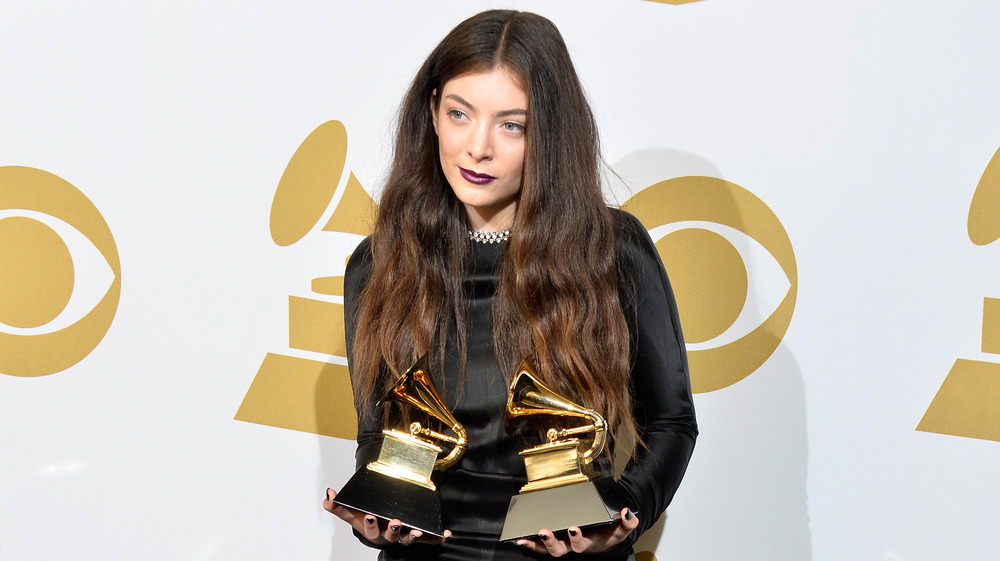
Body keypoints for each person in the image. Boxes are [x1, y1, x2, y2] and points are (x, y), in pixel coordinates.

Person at [323, 9, 697, 560]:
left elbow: (670, 421)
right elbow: (377, 437)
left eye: (511, 125)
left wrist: (623, 514)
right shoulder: (378, 264)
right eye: (459, 114)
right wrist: (376, 519)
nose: (478, 148)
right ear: (431, 111)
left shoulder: (611, 251)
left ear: (550, 133)